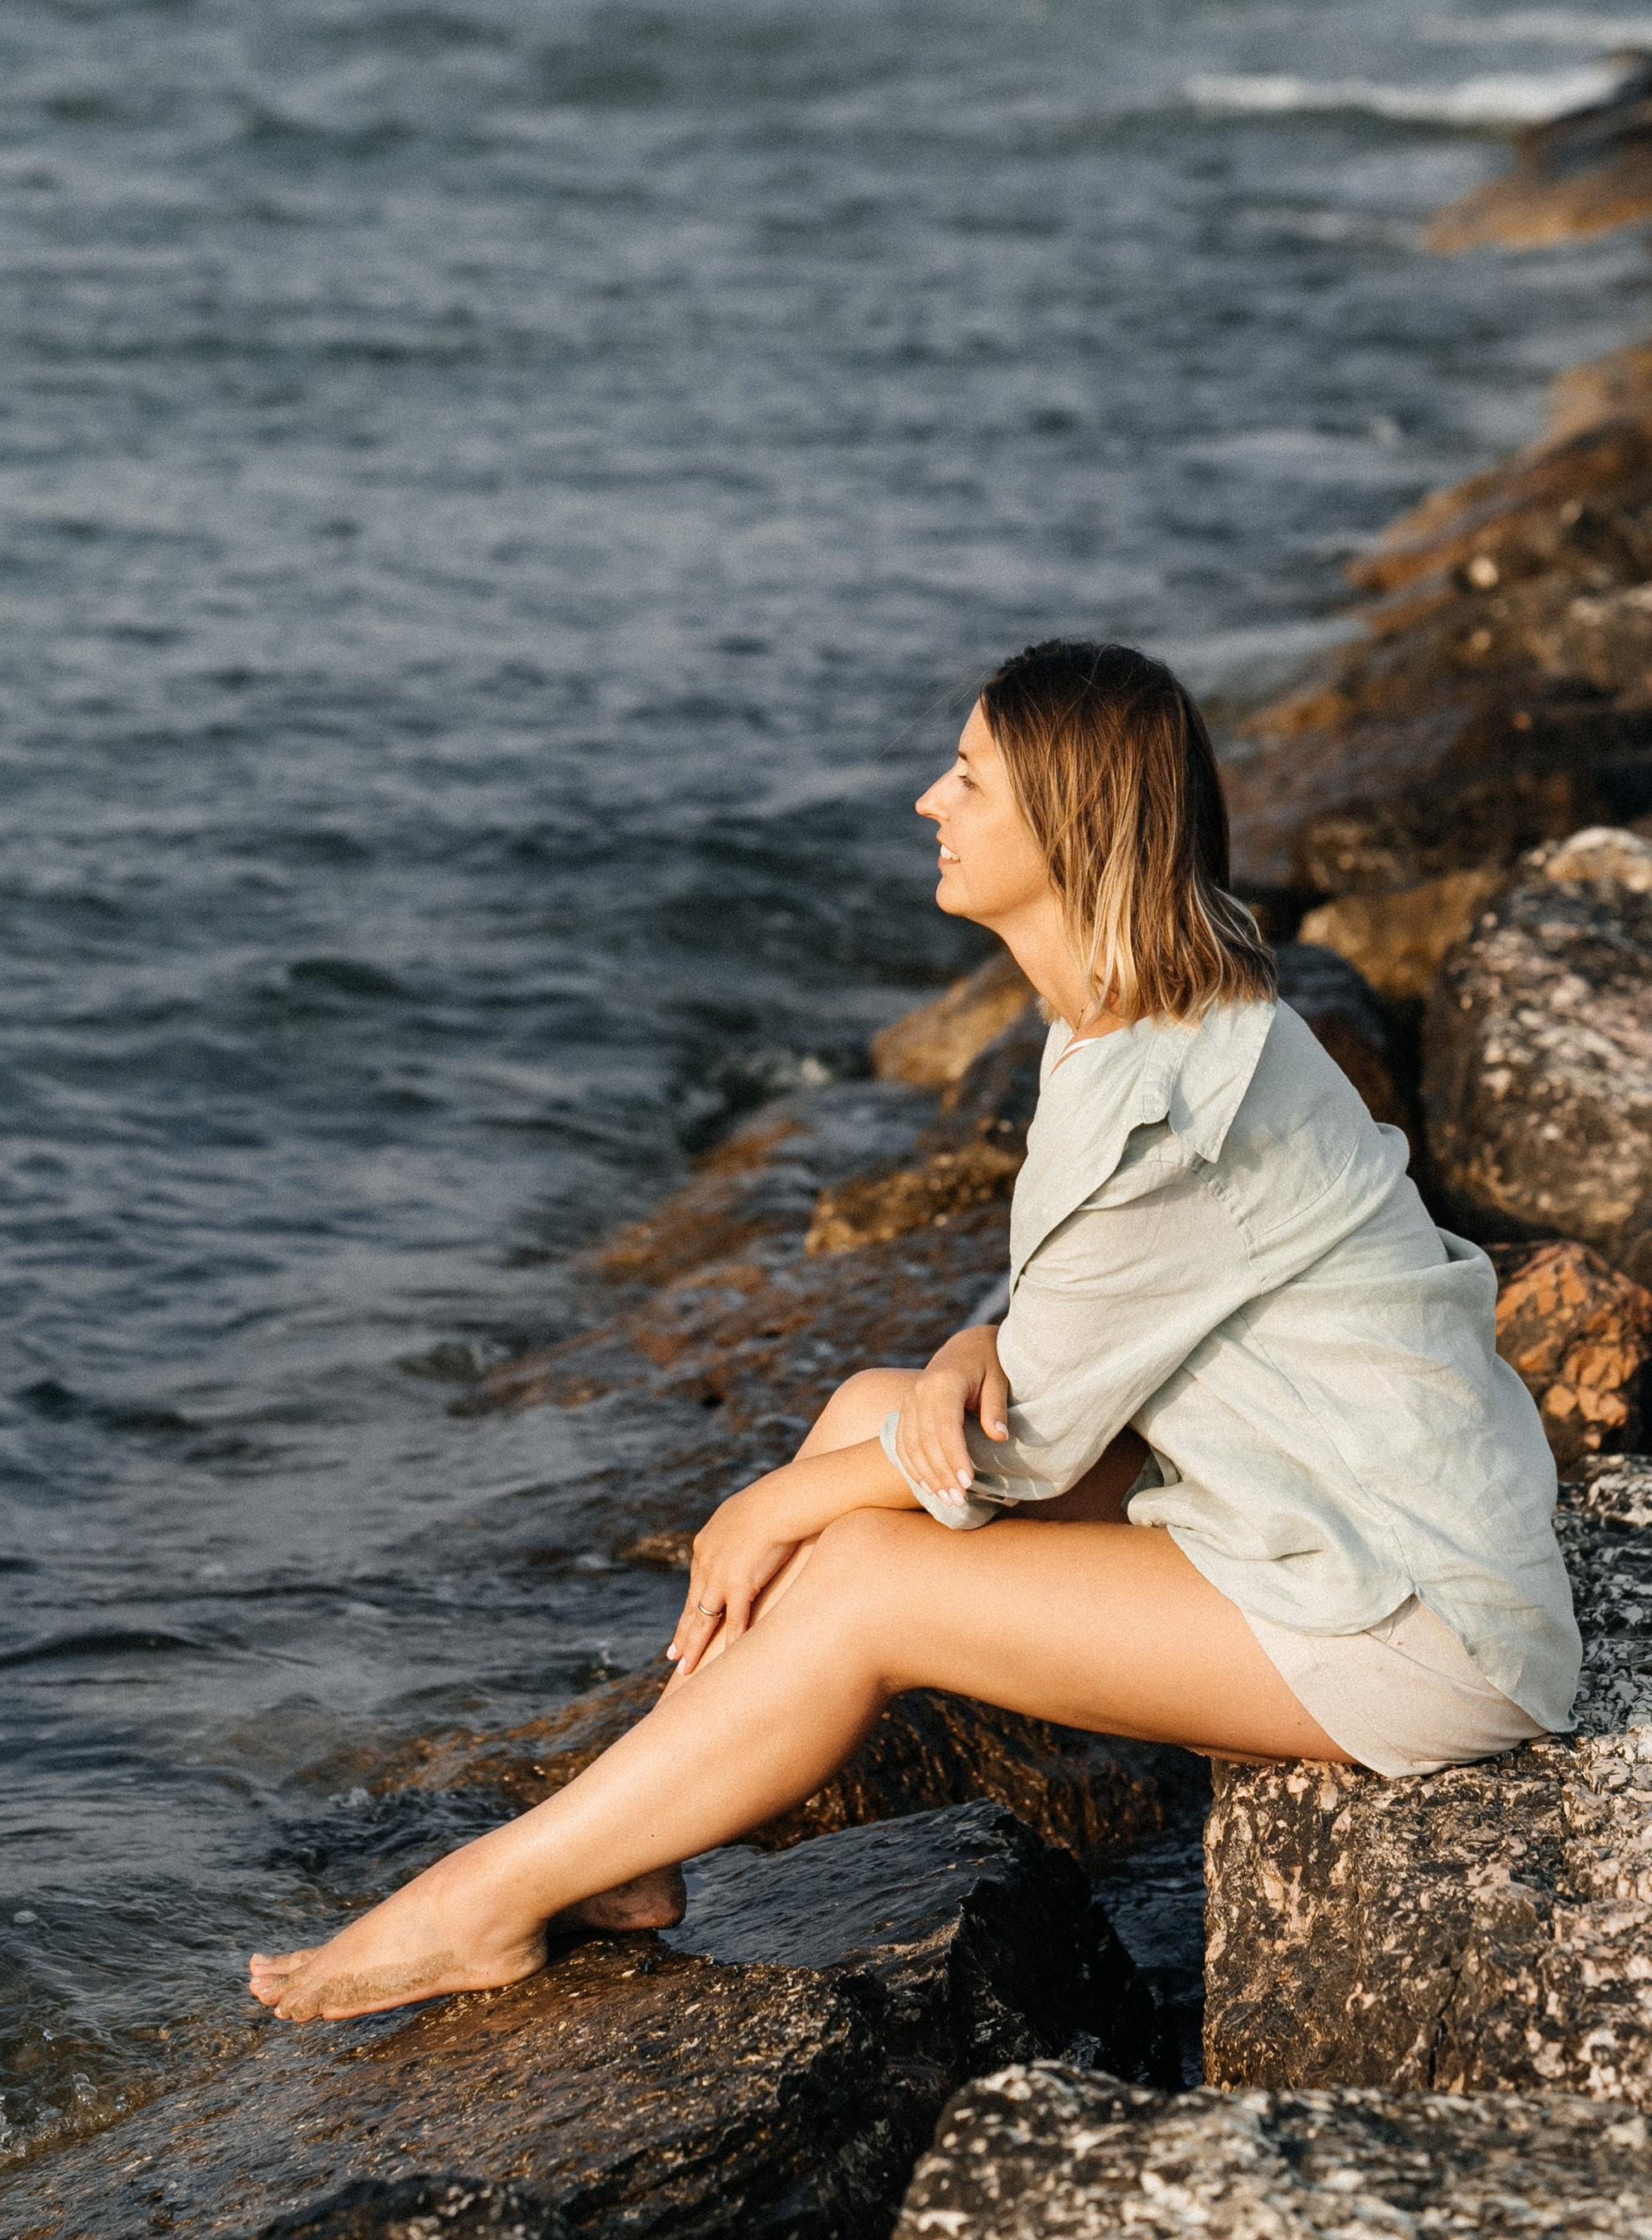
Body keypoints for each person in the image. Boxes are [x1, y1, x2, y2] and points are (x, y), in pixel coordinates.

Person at [249, 637, 1579, 2024]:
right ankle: (624, 1859)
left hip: (1412, 1623)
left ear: (1069, 826)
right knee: (866, 1413)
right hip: (1322, 1501)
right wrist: (959, 1354)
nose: (928, 804)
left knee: (867, 1575)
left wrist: (760, 1506)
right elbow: (1093, 1316)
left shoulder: (1157, 1097)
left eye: (969, 779)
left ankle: (480, 1902)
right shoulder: (1151, 1012)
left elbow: (1037, 1448)